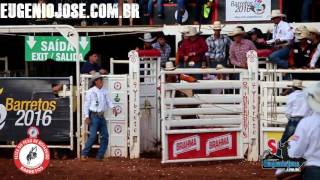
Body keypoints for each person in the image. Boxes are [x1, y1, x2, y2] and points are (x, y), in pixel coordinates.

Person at [81, 74, 117, 161]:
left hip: (101, 116)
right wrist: (86, 116)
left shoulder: (105, 91)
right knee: (93, 136)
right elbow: (86, 105)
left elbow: (109, 101)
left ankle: (99, 156)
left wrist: (113, 107)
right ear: (96, 81)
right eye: (100, 80)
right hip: (94, 115)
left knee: (105, 136)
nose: (102, 81)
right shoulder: (90, 91)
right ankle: (84, 154)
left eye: (102, 80)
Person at [288, 82, 320, 179]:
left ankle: (279, 157)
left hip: (314, 168)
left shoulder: (307, 123)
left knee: (286, 139)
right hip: (302, 117)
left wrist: (292, 143)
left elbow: (295, 152)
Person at [275, 80, 312, 162]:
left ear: (293, 87)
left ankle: (278, 154)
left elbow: (288, 111)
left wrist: (290, 119)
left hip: (294, 119)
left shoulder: (291, 96)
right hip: (304, 120)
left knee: (285, 138)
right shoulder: (306, 95)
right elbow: (310, 110)